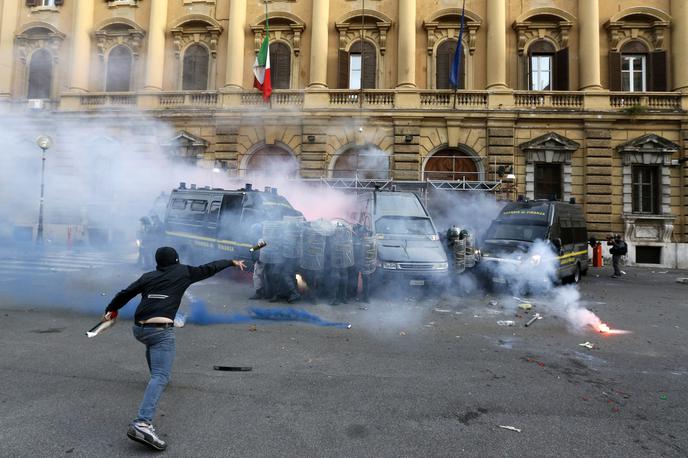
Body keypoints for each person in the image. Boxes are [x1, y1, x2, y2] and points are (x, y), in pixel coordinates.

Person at [101, 246, 246, 451]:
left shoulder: (147, 276)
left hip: (139, 330)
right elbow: (210, 268)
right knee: (160, 375)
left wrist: (110, 310)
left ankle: (157, 380)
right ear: (176, 260)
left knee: (154, 353)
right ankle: (142, 423)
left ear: (157, 263)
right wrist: (231, 262)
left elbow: (124, 294)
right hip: (160, 331)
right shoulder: (183, 272)